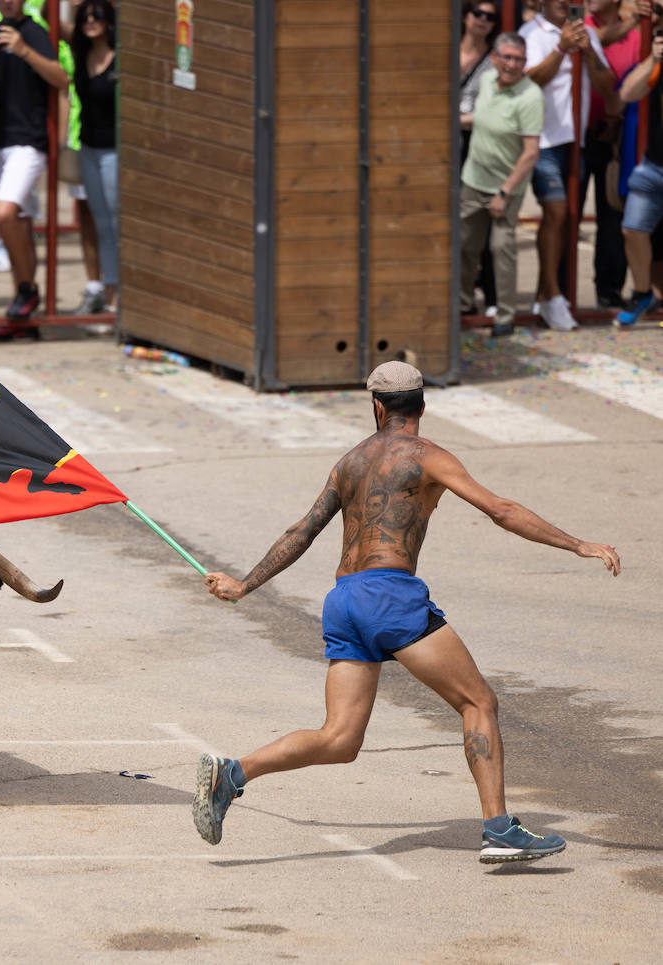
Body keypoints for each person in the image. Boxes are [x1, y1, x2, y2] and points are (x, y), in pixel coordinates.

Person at [196, 360, 621, 864]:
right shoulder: (426, 456)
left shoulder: (350, 461)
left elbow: (302, 531)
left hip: (343, 600)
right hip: (389, 596)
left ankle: (233, 775)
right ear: (422, 405)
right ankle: (499, 829)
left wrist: (245, 584)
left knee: (340, 738)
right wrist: (577, 545)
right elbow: (500, 510)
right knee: (478, 703)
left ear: (376, 406)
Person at [520, 0, 616, 331]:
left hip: (577, 141)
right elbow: (528, 81)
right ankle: (552, 297)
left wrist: (588, 53)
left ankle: (545, 295)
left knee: (566, 221)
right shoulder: (530, 34)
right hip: (542, 141)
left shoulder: (587, 32)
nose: (565, 1)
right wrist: (561, 48)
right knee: (557, 212)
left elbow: (608, 88)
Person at [0, 0, 68, 340]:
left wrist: (24, 51)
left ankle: (27, 289)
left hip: (29, 142)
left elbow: (61, 78)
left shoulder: (34, 31)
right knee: (17, 224)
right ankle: (25, 320)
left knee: (3, 214)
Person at [461, 33, 543, 338]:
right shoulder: (486, 82)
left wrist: (504, 192)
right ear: (494, 58)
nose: (512, 64)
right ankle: (462, 305)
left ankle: (505, 316)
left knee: (501, 248)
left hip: (505, 187)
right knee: (466, 246)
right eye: (506, 57)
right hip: (473, 180)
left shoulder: (530, 96)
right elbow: (481, 118)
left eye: (518, 59)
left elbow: (531, 152)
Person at [582, 0, 650, 312]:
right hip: (579, 137)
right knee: (568, 214)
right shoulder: (581, 25)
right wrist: (634, 19)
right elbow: (594, 36)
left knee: (613, 216)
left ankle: (609, 289)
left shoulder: (639, 37)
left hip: (619, 141)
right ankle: (558, 295)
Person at [612, 23, 663, 326]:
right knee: (632, 229)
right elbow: (628, 93)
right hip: (653, 166)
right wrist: (653, 59)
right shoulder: (658, 66)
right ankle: (643, 292)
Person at [71, 0, 117, 321]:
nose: (91, 20)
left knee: (117, 225)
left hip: (115, 152)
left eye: (97, 15)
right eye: (85, 16)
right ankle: (109, 293)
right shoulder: (79, 54)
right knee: (102, 226)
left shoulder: (122, 57)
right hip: (88, 149)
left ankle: (120, 298)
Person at [459, 0, 501, 318]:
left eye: (490, 17)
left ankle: (489, 295)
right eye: (478, 14)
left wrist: (462, 120)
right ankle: (459, 294)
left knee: (480, 224)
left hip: (478, 144)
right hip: (445, 146)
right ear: (465, 16)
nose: (483, 20)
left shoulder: (494, 60)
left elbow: (492, 110)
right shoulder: (448, 50)